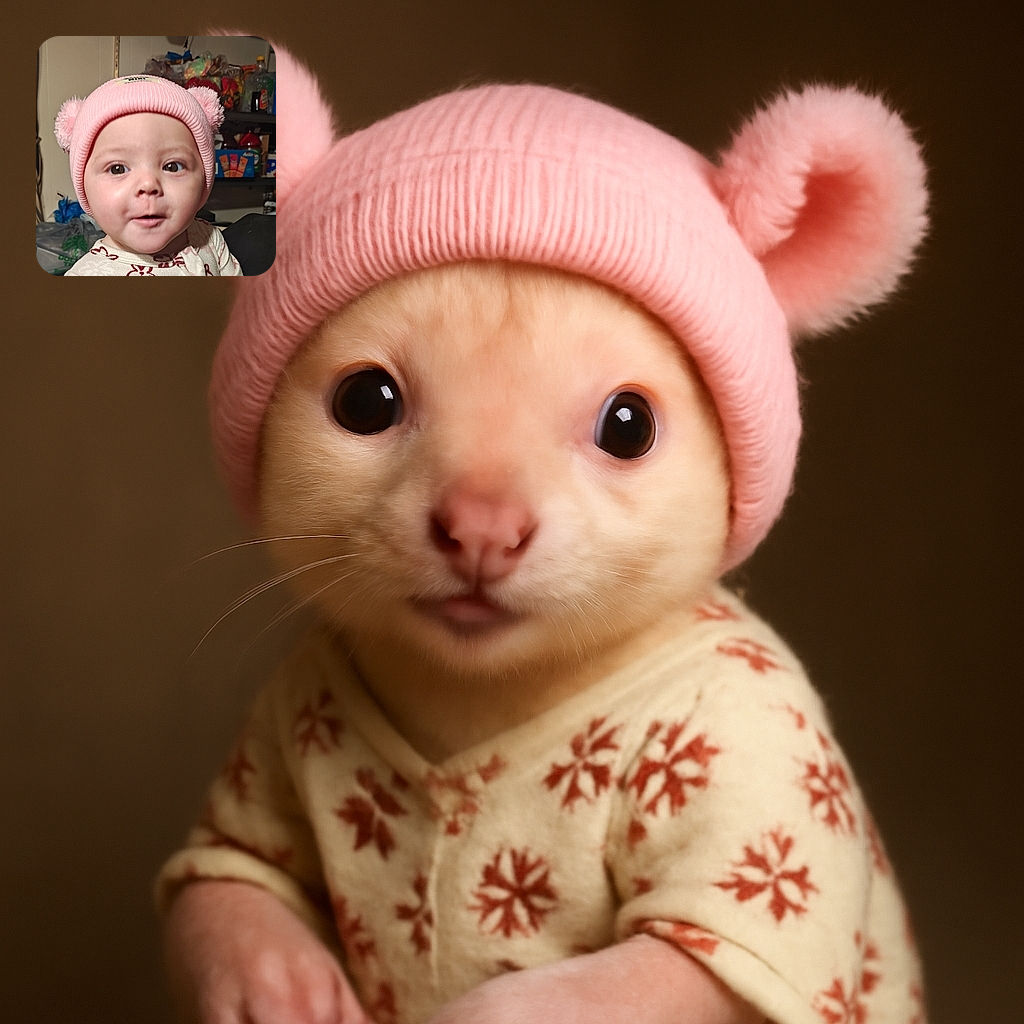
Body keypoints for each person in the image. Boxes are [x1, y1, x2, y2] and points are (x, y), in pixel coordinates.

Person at [54, 75, 242, 276]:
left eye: (173, 166)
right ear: (84, 187)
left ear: (204, 177)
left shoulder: (210, 239)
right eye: (117, 169)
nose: (148, 184)